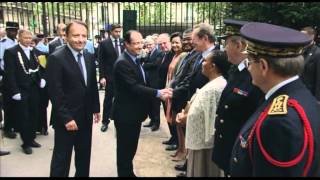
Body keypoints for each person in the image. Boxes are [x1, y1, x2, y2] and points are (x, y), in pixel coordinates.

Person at [230, 22, 320, 177]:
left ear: (263, 66)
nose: (249, 68)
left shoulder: (278, 121)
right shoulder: (302, 97)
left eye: (250, 62)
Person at [111, 30, 172, 177]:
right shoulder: (123, 63)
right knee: (125, 149)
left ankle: (128, 172)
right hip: (126, 114)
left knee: (130, 148)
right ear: (126, 44)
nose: (139, 46)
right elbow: (134, 87)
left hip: (134, 113)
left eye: (140, 42)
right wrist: (158, 92)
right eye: (135, 43)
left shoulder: (134, 58)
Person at [211, 19, 264, 177]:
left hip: (239, 150)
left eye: (226, 44)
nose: (224, 48)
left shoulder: (253, 76)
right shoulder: (236, 70)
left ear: (239, 46)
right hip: (228, 146)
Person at [47, 20, 100, 177]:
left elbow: (91, 86)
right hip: (66, 119)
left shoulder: (89, 56)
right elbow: (55, 92)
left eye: (84, 35)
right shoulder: (57, 58)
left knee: (84, 157)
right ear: (66, 36)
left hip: (85, 116)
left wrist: (96, 108)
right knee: (61, 160)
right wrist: (66, 118)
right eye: (76, 35)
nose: (80, 39)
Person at [176, 50, 230, 177]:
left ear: (213, 66)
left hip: (205, 145)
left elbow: (205, 114)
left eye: (205, 61)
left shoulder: (215, 87)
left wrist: (184, 117)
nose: (202, 63)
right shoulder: (213, 83)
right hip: (201, 142)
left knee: (203, 170)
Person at [3, 29, 44, 154]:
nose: (28, 40)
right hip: (21, 89)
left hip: (33, 88)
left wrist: (41, 79)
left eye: (29, 38)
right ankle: (25, 142)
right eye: (25, 37)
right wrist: (14, 91)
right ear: (19, 37)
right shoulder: (11, 52)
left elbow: (37, 68)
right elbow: (10, 74)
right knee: (24, 117)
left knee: (34, 114)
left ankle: (31, 138)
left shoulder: (33, 52)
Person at [98, 23, 124, 132]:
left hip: (123, 77)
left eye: (119, 31)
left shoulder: (123, 42)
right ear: (111, 32)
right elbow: (101, 61)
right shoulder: (104, 43)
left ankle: (121, 120)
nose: (118, 33)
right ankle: (105, 121)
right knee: (108, 100)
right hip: (110, 77)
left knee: (122, 100)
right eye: (116, 31)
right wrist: (102, 77)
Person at [0, 21, 19, 139]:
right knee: (8, 105)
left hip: (18, 76)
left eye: (15, 30)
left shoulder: (17, 42)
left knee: (17, 104)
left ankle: (14, 125)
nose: (13, 32)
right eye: (11, 30)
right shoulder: (2, 44)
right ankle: (7, 128)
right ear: (6, 31)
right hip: (6, 77)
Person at [142, 35, 164, 131]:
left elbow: (155, 64)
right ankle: (151, 120)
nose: (149, 46)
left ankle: (156, 122)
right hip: (148, 82)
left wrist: (144, 65)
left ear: (154, 44)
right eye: (147, 45)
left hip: (155, 82)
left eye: (150, 44)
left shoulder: (159, 53)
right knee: (149, 102)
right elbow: (143, 60)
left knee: (155, 103)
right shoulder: (149, 53)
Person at [300, 26, 320, 102]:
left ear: (311, 37)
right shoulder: (300, 51)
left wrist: (318, 100)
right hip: (299, 92)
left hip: (311, 95)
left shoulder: (317, 53)